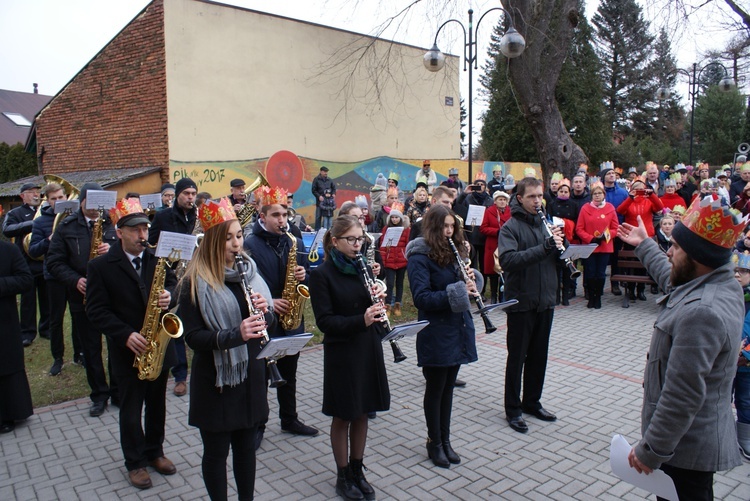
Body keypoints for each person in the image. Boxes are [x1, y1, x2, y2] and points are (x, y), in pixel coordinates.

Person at [617, 197, 744, 501]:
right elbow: (675, 283)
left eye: (675, 247)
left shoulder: (703, 312)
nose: (669, 252)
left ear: (699, 256)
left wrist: (651, 450)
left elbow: (682, 394)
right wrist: (646, 244)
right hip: (687, 443)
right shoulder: (715, 283)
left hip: (684, 450)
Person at [177, 198, 271, 500]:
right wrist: (233, 335)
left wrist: (264, 311)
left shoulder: (247, 271)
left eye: (239, 236)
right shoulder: (194, 281)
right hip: (216, 382)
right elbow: (192, 338)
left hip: (249, 376)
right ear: (214, 240)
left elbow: (262, 323)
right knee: (216, 454)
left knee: (246, 449)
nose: (236, 243)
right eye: (228, 237)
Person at [85, 198, 179, 490]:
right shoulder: (101, 266)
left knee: (157, 404)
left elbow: (175, 286)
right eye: (136, 230)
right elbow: (95, 310)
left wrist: (170, 296)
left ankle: (155, 452)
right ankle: (135, 462)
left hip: (156, 346)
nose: (142, 236)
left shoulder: (157, 259)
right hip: (126, 349)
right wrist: (125, 334)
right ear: (119, 232)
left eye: (145, 229)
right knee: (130, 406)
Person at [309, 215, 390, 501]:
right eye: (352, 240)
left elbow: (370, 306)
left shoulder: (363, 267)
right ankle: (343, 475)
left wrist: (380, 299)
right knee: (344, 414)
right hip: (342, 352)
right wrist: (362, 319)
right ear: (335, 241)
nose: (358, 245)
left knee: (363, 410)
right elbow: (325, 322)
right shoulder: (321, 275)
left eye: (361, 240)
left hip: (367, 347)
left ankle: (358, 469)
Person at [244, 186, 319, 449]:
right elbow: (245, 284)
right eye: (276, 214)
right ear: (262, 216)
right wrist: (270, 301)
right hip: (265, 319)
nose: (282, 220)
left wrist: (303, 276)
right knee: (261, 375)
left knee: (290, 372)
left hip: (291, 316)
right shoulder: (249, 245)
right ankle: (257, 425)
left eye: (284, 214)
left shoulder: (291, 239)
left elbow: (307, 274)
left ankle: (289, 419)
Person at [406, 205, 478, 468]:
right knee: (435, 389)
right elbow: (421, 297)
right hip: (435, 331)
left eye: (452, 227)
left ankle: (446, 441)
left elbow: (462, 284)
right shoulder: (419, 256)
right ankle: (433, 442)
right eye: (444, 227)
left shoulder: (453, 250)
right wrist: (459, 290)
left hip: (457, 327)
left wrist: (472, 282)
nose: (449, 231)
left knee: (448, 389)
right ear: (433, 227)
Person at [46, 183, 119, 417]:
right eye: (93, 202)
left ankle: (117, 390)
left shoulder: (112, 222)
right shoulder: (66, 226)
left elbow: (128, 252)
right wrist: (75, 280)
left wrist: (114, 248)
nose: (98, 208)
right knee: (90, 348)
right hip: (82, 296)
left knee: (116, 343)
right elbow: (54, 262)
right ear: (83, 201)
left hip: (111, 294)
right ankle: (99, 394)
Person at [497, 177, 561, 433]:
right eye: (532, 197)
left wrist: (561, 250)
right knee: (517, 358)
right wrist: (545, 248)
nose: (537, 201)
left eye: (540, 196)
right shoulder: (509, 228)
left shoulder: (546, 224)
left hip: (545, 300)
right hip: (522, 301)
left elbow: (549, 258)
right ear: (520, 198)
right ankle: (512, 409)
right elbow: (509, 260)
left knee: (539, 357)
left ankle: (532, 402)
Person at [28, 182, 84, 375]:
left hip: (74, 274)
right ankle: (58, 358)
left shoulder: (76, 219)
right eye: (54, 199)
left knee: (78, 316)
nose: (58, 201)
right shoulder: (40, 222)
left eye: (61, 197)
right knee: (56, 318)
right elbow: (33, 250)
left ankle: (79, 353)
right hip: (53, 276)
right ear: (48, 200)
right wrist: (48, 240)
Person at [149, 177, 197, 397]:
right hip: (173, 276)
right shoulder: (163, 216)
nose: (190, 197)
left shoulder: (198, 216)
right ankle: (180, 376)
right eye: (186, 193)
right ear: (177, 194)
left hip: (196, 275)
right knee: (175, 325)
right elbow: (151, 245)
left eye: (193, 194)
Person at [2, 182, 48, 347]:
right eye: (32, 192)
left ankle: (46, 328)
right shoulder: (16, 213)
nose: (36, 195)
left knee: (46, 298)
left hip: (43, 261)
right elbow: (7, 229)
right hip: (25, 262)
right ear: (23, 196)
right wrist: (33, 224)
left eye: (38, 191)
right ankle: (27, 333)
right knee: (28, 300)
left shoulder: (45, 211)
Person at [0, 240, 34, 434]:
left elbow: (25, 280)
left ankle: (8, 414)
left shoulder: (8, 250)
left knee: (6, 366)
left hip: (4, 322)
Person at [617, 179, 664, 301]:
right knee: (631, 265)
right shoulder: (629, 201)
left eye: (641, 189)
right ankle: (631, 289)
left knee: (644, 264)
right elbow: (620, 210)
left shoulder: (649, 201)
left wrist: (652, 195)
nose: (639, 192)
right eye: (636, 189)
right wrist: (630, 198)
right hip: (631, 237)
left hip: (646, 236)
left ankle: (641, 290)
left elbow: (660, 207)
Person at [575, 183, 619, 309]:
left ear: (604, 195)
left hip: (605, 246)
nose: (597, 196)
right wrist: (591, 238)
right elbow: (579, 228)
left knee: (600, 273)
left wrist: (605, 236)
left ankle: (598, 297)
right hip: (590, 246)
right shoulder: (585, 208)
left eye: (600, 193)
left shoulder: (610, 208)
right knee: (590, 272)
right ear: (591, 195)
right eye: (595, 193)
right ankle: (591, 296)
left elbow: (615, 228)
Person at [548, 181, 579, 305]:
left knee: (567, 269)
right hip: (556, 237)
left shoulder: (574, 204)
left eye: (566, 191)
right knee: (556, 270)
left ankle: (566, 296)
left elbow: (577, 219)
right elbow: (548, 218)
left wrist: (569, 226)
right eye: (561, 191)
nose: (563, 193)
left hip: (569, 239)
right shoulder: (552, 203)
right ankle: (556, 297)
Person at [480, 190, 511, 303]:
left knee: (504, 270)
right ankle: (493, 296)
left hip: (506, 245)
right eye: (500, 200)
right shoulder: (489, 211)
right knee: (493, 273)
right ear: (495, 201)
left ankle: (502, 296)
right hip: (492, 245)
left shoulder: (510, 212)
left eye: (504, 200)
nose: (502, 202)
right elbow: (483, 228)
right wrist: (497, 232)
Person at [733, 251, 750, 461]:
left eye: (744, 271)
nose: (738, 275)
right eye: (735, 270)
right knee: (722, 399)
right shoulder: (723, 296)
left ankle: (745, 438)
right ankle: (724, 436)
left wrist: (745, 353)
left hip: (746, 364)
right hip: (725, 362)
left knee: (746, 401)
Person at [379, 202, 410, 316]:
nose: (395, 219)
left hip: (401, 261)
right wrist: (383, 260)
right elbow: (382, 245)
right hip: (389, 261)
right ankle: (388, 305)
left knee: (400, 283)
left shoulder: (406, 230)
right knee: (390, 284)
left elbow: (407, 245)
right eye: (392, 217)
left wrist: (406, 258)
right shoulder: (386, 229)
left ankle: (397, 305)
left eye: (397, 217)